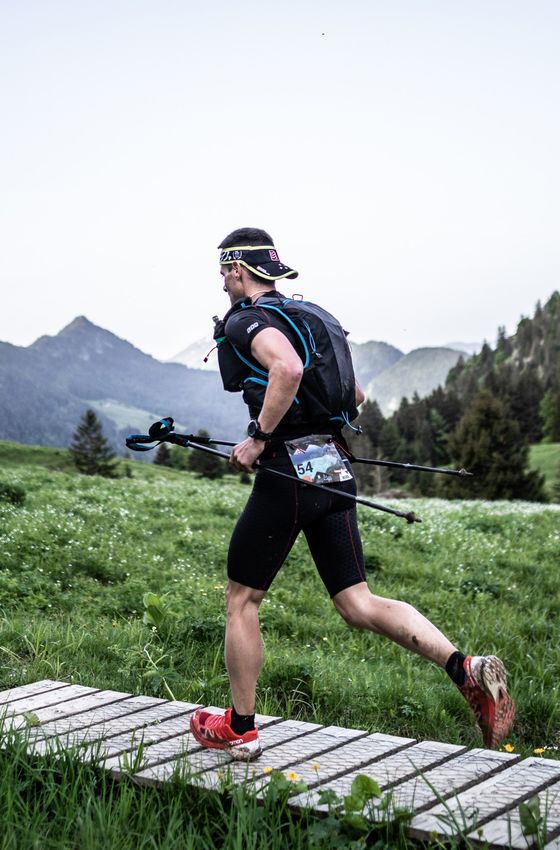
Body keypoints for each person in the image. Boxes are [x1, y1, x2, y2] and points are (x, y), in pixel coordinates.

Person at [189, 227, 515, 760]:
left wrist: (259, 437)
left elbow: (287, 368)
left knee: (241, 600)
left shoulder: (247, 319)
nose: (223, 282)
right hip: (334, 466)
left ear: (238, 270)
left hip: (289, 472)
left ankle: (240, 728)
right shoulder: (311, 315)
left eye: (224, 272)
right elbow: (355, 394)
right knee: (357, 602)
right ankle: (465, 668)